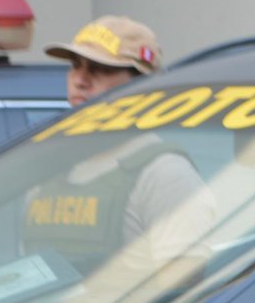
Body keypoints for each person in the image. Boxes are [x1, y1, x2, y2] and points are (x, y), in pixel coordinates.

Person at [30, 16, 215, 280]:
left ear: (141, 85)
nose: (80, 80)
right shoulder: (51, 168)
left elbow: (184, 292)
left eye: (100, 68)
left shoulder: (165, 174)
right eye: (75, 65)